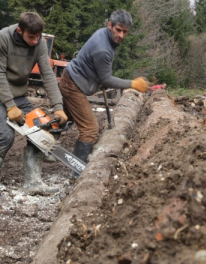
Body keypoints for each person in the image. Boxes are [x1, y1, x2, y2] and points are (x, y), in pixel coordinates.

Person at [0, 12, 68, 195]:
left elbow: (47, 75)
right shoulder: (3, 38)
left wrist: (58, 107)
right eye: (31, 36)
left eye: (38, 37)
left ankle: (33, 182)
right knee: (6, 135)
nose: (35, 41)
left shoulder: (39, 44)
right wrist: (10, 106)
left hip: (19, 93)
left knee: (40, 129)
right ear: (20, 31)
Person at [59, 9, 151, 179]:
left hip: (71, 79)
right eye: (118, 30)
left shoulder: (104, 36)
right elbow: (107, 80)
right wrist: (133, 84)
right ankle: (77, 173)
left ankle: (45, 143)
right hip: (73, 85)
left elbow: (102, 73)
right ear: (110, 25)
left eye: (125, 32)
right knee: (90, 129)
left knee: (65, 118)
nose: (121, 35)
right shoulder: (103, 49)